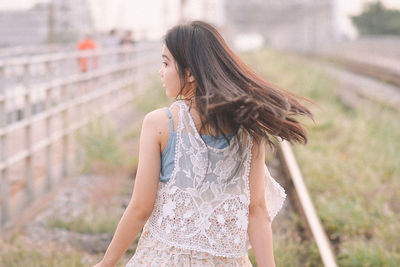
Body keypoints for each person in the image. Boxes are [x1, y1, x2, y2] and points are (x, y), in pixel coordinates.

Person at [94, 20, 313, 267]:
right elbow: (257, 211)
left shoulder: (159, 124)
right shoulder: (249, 131)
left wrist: (107, 262)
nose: (161, 72)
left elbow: (141, 208)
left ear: (189, 73)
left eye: (166, 63)